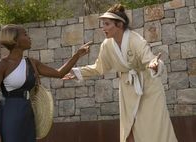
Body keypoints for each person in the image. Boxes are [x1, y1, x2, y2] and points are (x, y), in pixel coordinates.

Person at [63, 4, 178, 142]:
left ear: (119, 25)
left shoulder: (136, 41)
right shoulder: (106, 45)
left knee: (153, 126)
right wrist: (77, 72)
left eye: (107, 24)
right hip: (128, 88)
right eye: (103, 24)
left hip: (149, 88)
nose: (103, 28)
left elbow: (151, 60)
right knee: (130, 128)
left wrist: (155, 65)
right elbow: (99, 67)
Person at [0, 24, 91, 142]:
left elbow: (59, 73)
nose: (29, 37)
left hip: (28, 112)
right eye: (25, 34)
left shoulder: (32, 63)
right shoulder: (1, 65)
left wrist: (77, 55)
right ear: (15, 41)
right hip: (9, 113)